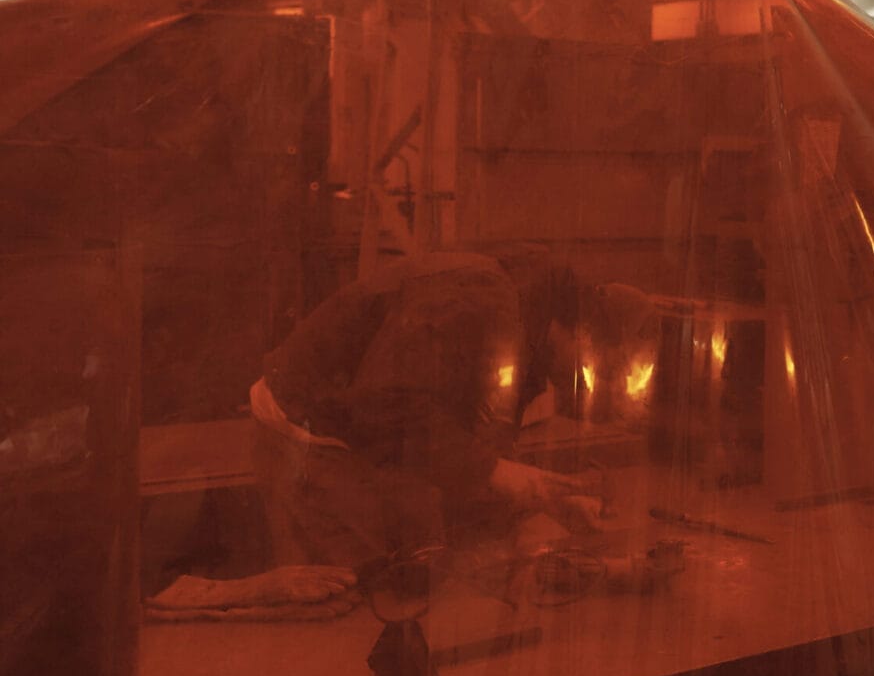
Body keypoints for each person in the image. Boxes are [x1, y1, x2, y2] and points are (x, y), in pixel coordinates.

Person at [145, 252, 605, 619]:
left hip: (360, 433)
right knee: (356, 599)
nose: (584, 383)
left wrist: (536, 498)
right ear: (573, 329)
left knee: (418, 571)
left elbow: (460, 439)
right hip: (313, 435)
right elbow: (387, 407)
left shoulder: (525, 324)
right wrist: (496, 473)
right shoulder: (481, 303)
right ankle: (203, 595)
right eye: (591, 365)